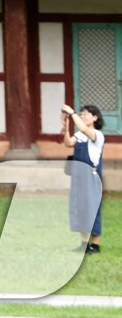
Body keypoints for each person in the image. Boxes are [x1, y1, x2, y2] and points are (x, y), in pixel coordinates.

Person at [63, 102, 105, 254]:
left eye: (86, 114)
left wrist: (72, 113)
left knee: (92, 208)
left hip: (91, 177)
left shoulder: (97, 135)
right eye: (82, 114)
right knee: (80, 208)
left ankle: (95, 245)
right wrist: (66, 126)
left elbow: (84, 129)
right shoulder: (79, 135)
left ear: (95, 117)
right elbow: (68, 143)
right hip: (79, 176)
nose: (83, 116)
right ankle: (84, 244)